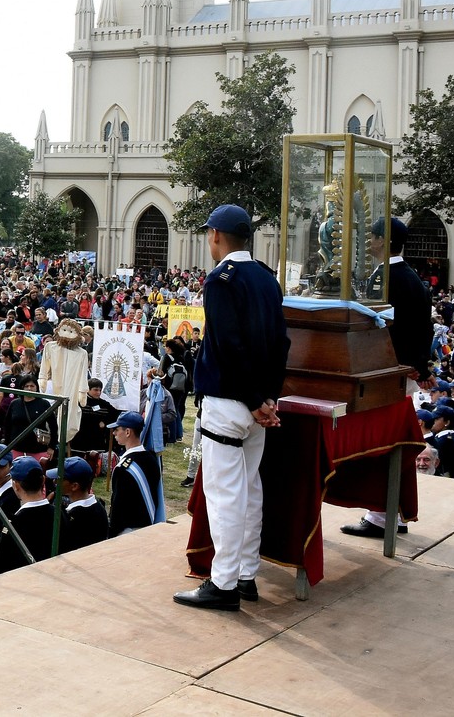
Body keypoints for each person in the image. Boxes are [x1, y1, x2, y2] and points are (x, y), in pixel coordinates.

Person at [174, 205, 289, 612]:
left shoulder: (222, 279)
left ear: (217, 236)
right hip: (256, 403)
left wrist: (257, 399)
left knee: (225, 493)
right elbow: (281, 345)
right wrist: (268, 397)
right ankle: (244, 575)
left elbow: (228, 347)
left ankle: (223, 583)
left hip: (230, 400)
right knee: (250, 488)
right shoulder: (265, 277)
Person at [344, 217, 431, 538]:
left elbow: (376, 330)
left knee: (383, 444)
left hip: (386, 377)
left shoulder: (387, 278)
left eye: (372, 236)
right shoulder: (408, 277)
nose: (368, 242)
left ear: (382, 241)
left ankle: (382, 515)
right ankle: (396, 512)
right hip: (399, 374)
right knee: (394, 444)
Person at [0, 456, 56, 574]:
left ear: (16, 486)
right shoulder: (59, 514)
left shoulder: (14, 524)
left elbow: (0, 566)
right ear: (43, 481)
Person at [107, 410, 164, 536]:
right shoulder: (152, 458)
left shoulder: (123, 468)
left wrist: (111, 532)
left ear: (128, 432)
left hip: (128, 530)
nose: (114, 433)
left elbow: (118, 506)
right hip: (149, 525)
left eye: (117, 429)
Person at [49, 456, 107, 551]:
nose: (54, 481)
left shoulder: (71, 518)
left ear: (74, 486)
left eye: (60, 479)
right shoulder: (99, 506)